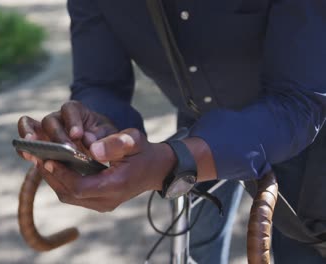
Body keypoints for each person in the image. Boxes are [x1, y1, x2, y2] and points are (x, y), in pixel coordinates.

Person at [17, 0, 326, 263]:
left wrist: (178, 161)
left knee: (301, 251)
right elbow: (99, 83)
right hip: (196, 128)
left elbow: (300, 101)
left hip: (303, 138)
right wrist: (91, 133)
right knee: (195, 245)